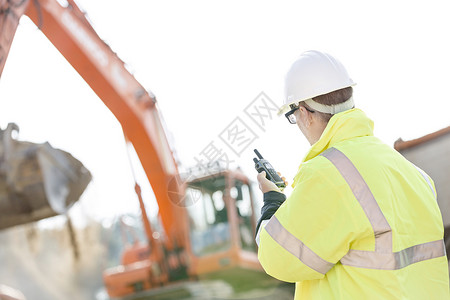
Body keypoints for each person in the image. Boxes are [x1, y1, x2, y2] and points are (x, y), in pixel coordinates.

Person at [255, 50, 450, 299]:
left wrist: (272, 203)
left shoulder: (328, 173)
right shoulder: (414, 174)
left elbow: (278, 257)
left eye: (292, 117)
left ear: (303, 112)